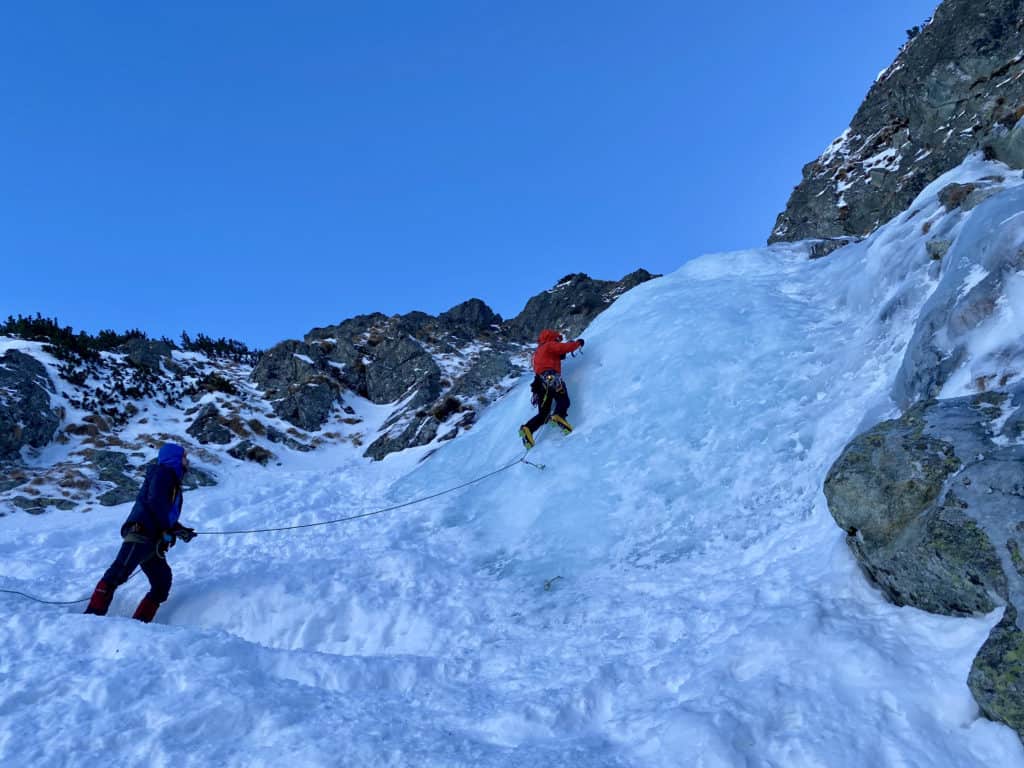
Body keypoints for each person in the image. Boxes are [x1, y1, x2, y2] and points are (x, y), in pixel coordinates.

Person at [84, 442, 196, 623]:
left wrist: (179, 530)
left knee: (162, 583)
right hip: (141, 533)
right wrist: (169, 531)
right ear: (175, 458)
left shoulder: (170, 478)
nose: (187, 461)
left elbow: (163, 512)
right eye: (184, 457)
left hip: (153, 537)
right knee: (118, 573)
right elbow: (156, 504)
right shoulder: (162, 474)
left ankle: (140, 624)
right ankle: (91, 618)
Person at [519, 329, 585, 449]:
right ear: (552, 337)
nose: (558, 341)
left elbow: (557, 356)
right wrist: (578, 343)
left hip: (539, 383)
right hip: (550, 376)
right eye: (557, 339)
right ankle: (559, 415)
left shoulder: (539, 350)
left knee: (543, 414)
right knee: (563, 399)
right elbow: (564, 348)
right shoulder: (549, 344)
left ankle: (528, 428)